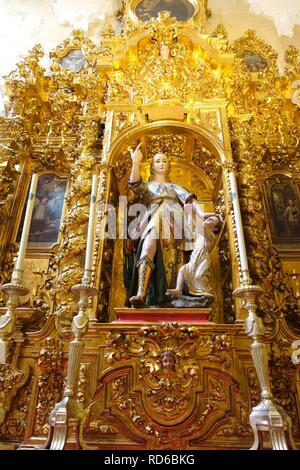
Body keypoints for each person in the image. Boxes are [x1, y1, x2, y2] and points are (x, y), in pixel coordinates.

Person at [125, 143, 215, 308]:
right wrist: (136, 162)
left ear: (168, 166)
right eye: (158, 161)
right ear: (152, 166)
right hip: (153, 218)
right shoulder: (148, 187)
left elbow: (191, 203)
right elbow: (135, 185)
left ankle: (170, 293)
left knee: (171, 258)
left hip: (174, 223)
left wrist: (202, 216)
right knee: (148, 243)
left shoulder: (176, 188)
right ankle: (141, 293)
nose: (161, 164)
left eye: (164, 161)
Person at [166, 214, 222, 302]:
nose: (208, 220)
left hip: (203, 259)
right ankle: (178, 289)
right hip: (194, 258)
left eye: (211, 220)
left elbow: (200, 225)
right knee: (183, 270)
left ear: (215, 228)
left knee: (199, 276)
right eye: (208, 219)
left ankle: (206, 292)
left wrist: (194, 214)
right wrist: (212, 215)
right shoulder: (199, 235)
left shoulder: (211, 236)